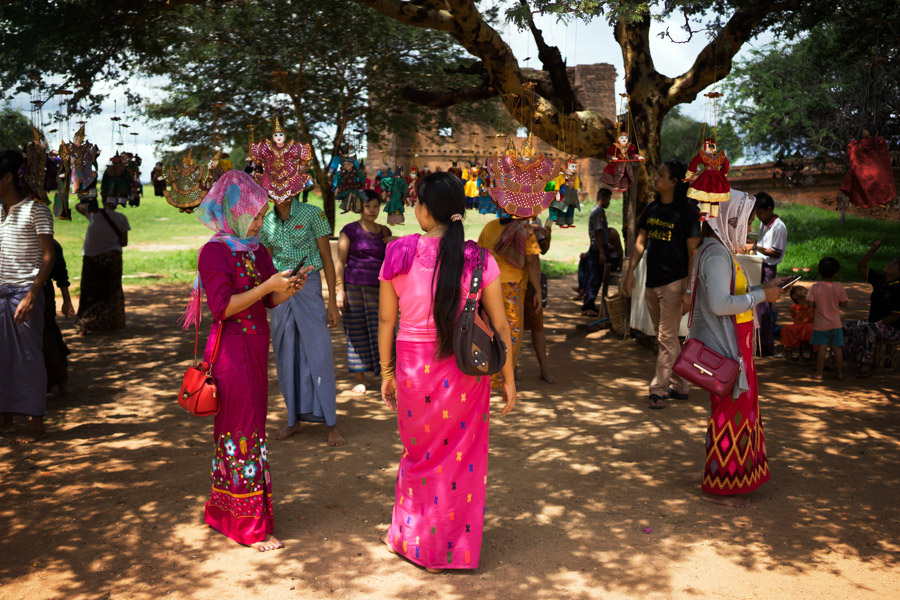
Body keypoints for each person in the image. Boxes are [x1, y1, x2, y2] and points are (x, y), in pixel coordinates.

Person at [378, 171, 516, 572]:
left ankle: (408, 537)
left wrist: (386, 373)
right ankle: (447, 550)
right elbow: (501, 325)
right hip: (463, 371)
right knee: (459, 459)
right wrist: (507, 378)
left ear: (423, 212)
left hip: (411, 369)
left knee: (417, 455)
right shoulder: (478, 258)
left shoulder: (398, 253)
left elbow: (387, 322)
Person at [186, 169, 309, 552]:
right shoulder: (215, 251)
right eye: (254, 215)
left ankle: (231, 511)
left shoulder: (256, 250)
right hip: (229, 355)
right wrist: (267, 287)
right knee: (242, 430)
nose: (259, 222)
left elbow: (267, 300)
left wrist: (286, 289)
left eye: (261, 215)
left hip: (254, 350)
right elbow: (223, 308)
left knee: (250, 430)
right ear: (234, 212)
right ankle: (247, 525)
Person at [688, 191, 789, 507]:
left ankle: (733, 479)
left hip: (735, 344)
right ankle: (720, 487)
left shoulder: (719, 251)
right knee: (730, 411)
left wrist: (765, 290)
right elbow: (720, 304)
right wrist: (762, 297)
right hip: (728, 347)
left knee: (736, 409)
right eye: (743, 221)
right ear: (728, 220)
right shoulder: (718, 255)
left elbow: (730, 296)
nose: (746, 228)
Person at [258, 194, 345, 446]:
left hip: (309, 285)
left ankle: (330, 424)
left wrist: (331, 301)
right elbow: (267, 261)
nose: (280, 190)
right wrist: (268, 297)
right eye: (273, 185)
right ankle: (292, 420)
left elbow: (326, 257)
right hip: (279, 289)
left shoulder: (312, 213)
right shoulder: (265, 219)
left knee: (319, 353)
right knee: (285, 353)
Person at [623, 160, 701, 409]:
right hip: (651, 282)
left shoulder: (687, 213)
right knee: (664, 338)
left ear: (674, 182)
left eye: (661, 175)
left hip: (674, 283)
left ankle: (658, 389)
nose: (656, 178)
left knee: (667, 337)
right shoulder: (651, 208)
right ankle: (680, 385)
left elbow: (694, 253)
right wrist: (630, 272)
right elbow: (640, 242)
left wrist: (688, 290)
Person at [0, 150, 55, 444]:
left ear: (8, 177)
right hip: (0, 293)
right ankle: (5, 413)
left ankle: (35, 420)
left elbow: (49, 256)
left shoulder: (36, 210)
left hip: (24, 293)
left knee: (28, 357)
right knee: (2, 356)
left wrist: (32, 295)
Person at [335, 190, 392, 394]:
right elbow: (340, 261)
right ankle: (360, 378)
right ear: (360, 208)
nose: (372, 210)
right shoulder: (349, 231)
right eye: (368, 206)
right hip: (353, 288)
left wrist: (393, 244)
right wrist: (339, 289)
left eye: (376, 206)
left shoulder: (385, 232)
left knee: (383, 331)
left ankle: (387, 375)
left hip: (380, 291)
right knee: (356, 332)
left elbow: (393, 263)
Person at [477, 214, 542, 388]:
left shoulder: (489, 227)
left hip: (488, 285)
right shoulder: (525, 231)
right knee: (512, 332)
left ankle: (488, 374)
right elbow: (531, 262)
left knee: (489, 329)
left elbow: (480, 255)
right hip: (511, 286)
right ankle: (503, 378)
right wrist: (537, 289)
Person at [844, 238, 900, 378]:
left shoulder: (898, 289)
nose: (888, 264)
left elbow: (895, 316)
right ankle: (837, 358)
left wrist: (876, 324)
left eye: (893, 264)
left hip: (893, 329)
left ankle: (865, 366)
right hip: (872, 324)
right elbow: (861, 267)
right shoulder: (880, 280)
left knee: (868, 329)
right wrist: (872, 250)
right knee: (841, 326)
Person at [74, 194, 130, 335]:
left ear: (104, 201)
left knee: (89, 292)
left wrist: (91, 205)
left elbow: (77, 206)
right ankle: (111, 324)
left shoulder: (94, 214)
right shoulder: (121, 218)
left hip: (91, 259)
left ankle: (86, 324)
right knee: (111, 292)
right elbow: (124, 242)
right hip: (112, 258)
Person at [751, 192, 787, 356]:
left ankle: (766, 343)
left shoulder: (778, 226)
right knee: (758, 305)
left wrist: (754, 247)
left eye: (760, 212)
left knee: (764, 306)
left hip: (768, 268)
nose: (758, 216)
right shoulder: (764, 223)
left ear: (769, 209)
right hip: (759, 265)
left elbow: (775, 253)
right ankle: (760, 342)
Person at [523, 217, 555, 383]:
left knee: (537, 325)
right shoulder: (510, 219)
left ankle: (543, 368)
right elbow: (529, 260)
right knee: (514, 328)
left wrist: (546, 235)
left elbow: (543, 250)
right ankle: (511, 372)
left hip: (531, 281)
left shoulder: (537, 222)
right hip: (516, 282)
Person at [807, 257, 848, 380]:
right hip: (836, 323)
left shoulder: (815, 287)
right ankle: (840, 373)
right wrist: (835, 303)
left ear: (819, 272)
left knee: (822, 348)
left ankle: (819, 373)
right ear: (836, 274)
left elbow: (810, 304)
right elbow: (844, 303)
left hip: (821, 323)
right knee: (837, 348)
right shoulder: (839, 287)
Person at [44, 239, 75, 393]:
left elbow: (61, 275)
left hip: (42, 295)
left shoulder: (52, 245)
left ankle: (59, 379)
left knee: (47, 335)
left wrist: (67, 301)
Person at [582, 188, 613, 317]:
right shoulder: (598, 212)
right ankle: (588, 305)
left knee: (594, 277)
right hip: (597, 249)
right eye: (609, 199)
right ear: (603, 198)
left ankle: (589, 304)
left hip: (596, 248)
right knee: (595, 277)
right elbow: (598, 233)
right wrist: (601, 252)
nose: (609, 202)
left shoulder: (598, 212)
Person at [780, 285, 814, 361]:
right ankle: (788, 352)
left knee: (810, 328)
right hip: (799, 326)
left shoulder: (812, 304)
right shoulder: (794, 307)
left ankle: (813, 353)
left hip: (810, 326)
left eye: (805, 289)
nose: (804, 291)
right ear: (795, 296)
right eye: (800, 290)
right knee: (786, 329)